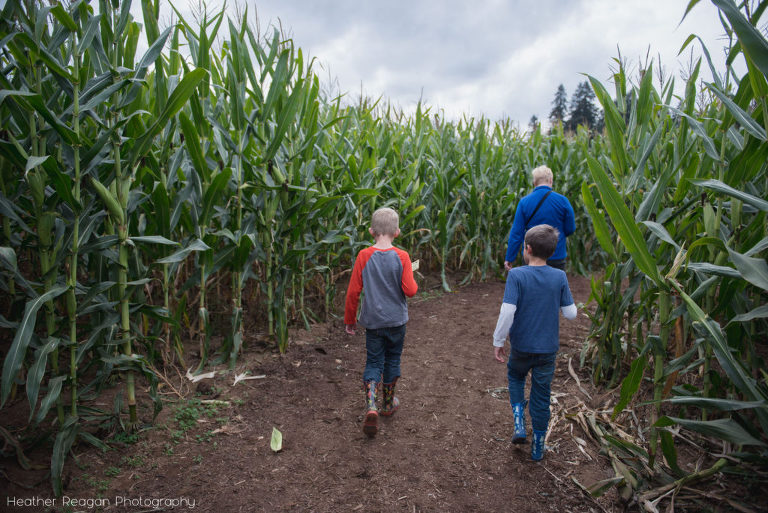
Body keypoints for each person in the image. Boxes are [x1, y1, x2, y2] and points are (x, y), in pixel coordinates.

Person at [493, 224, 577, 460]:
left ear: (527, 249)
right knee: (542, 394)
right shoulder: (559, 276)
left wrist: (498, 340)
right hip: (547, 349)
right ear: (552, 251)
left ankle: (519, 421)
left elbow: (507, 312)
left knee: (516, 376)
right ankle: (539, 445)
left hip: (521, 346)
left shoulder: (517, 275)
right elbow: (571, 314)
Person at [345, 207, 418, 437]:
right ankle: (388, 404)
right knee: (393, 359)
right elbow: (411, 290)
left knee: (374, 361)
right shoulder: (402, 256)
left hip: (373, 323)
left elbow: (353, 291)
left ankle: (371, 405)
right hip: (397, 321)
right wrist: (410, 275)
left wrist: (350, 320)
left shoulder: (363, 256)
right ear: (397, 232)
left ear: (371, 231)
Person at [504, 165, 575, 271]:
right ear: (551, 180)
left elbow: (516, 233)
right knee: (555, 286)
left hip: (531, 257)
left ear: (534, 183)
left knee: (531, 287)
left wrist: (510, 257)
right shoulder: (563, 201)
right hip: (556, 254)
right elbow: (570, 229)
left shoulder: (524, 202)